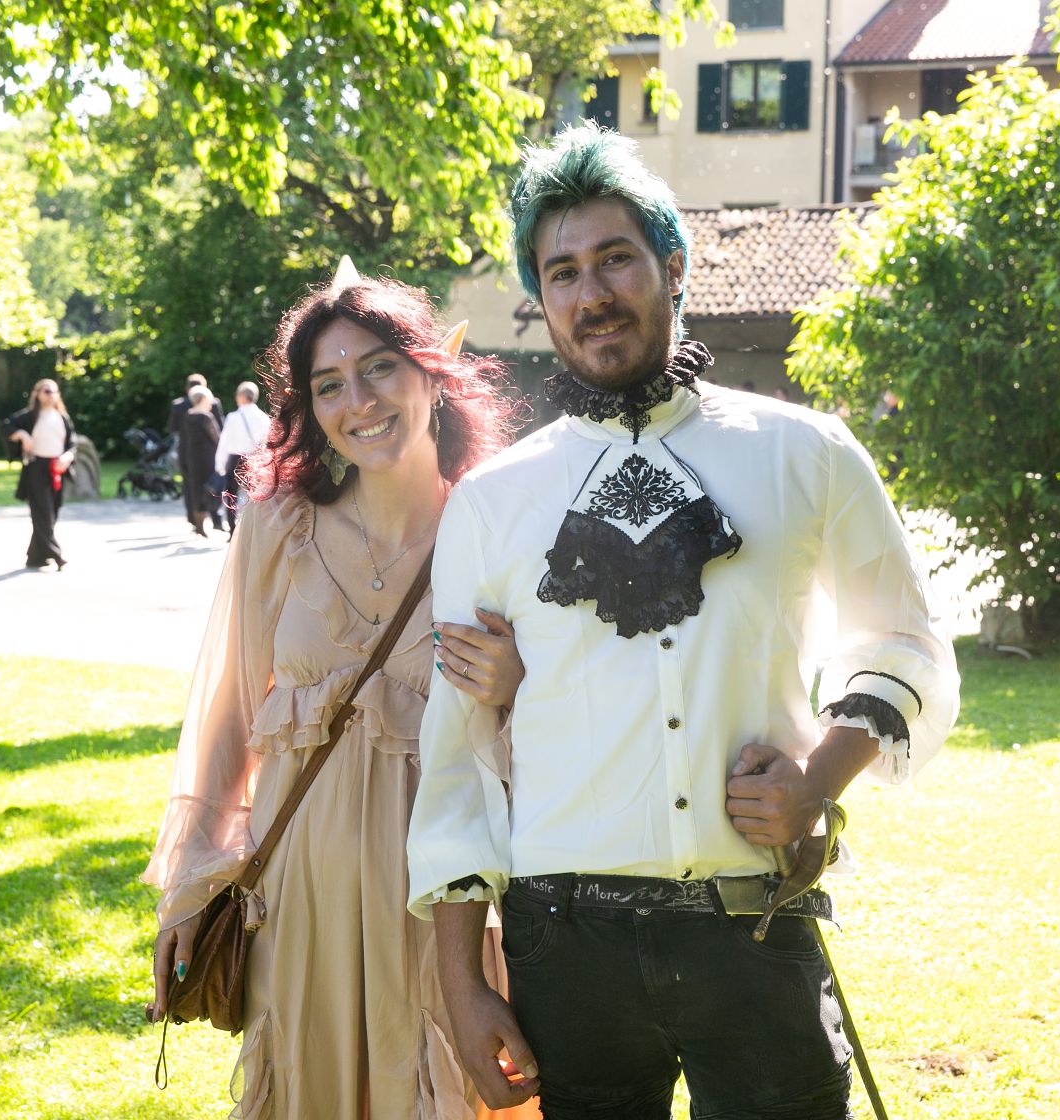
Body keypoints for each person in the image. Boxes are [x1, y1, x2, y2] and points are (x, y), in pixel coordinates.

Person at [407, 122, 961, 1119]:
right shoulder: (491, 503)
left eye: (616, 258)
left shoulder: (806, 452)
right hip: (564, 946)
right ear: (541, 300)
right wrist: (460, 980)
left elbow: (906, 641)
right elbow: (455, 756)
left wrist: (816, 780)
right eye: (563, 272)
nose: (592, 292)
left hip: (756, 925)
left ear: (672, 266)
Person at [142, 262, 538, 1119]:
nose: (358, 401)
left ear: (432, 373)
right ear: (309, 408)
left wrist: (518, 684)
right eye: (329, 384)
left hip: (446, 912)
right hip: (300, 903)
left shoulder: (501, 527)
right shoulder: (277, 524)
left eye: (380, 367)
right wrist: (192, 881)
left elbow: (567, 720)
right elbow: (228, 715)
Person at [0, 378, 75, 571]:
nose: (50, 395)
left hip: (57, 468)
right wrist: (22, 435)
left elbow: (72, 444)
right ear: (38, 394)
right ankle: (57, 555)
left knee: (52, 512)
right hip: (36, 468)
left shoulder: (62, 418)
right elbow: (6, 427)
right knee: (42, 512)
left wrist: (67, 457)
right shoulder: (30, 416)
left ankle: (35, 557)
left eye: (53, 391)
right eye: (46, 391)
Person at [214, 380, 272, 538]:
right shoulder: (263, 417)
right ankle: (254, 529)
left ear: (241, 396)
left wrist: (220, 464)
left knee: (231, 495)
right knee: (256, 495)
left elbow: (224, 442)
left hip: (235, 458)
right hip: (256, 459)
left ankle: (233, 530)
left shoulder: (233, 417)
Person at [179, 385, 225, 536]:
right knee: (212, 489)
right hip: (208, 458)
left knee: (196, 489)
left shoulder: (188, 415)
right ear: (203, 399)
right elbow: (217, 437)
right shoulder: (206, 417)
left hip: (193, 458)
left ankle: (199, 525)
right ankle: (216, 520)